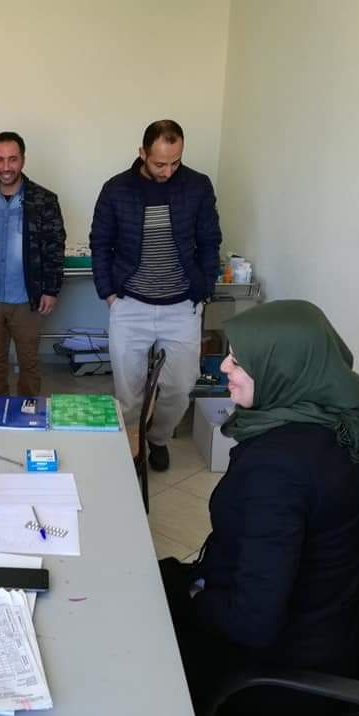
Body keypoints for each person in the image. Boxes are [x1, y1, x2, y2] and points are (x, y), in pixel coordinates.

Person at [159, 299, 359, 716]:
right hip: (325, 624)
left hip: (274, 668)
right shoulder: (340, 421)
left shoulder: (278, 469)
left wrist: (192, 594)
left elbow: (252, 620)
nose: (224, 367)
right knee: (154, 579)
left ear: (284, 368)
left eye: (239, 361)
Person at [90, 119, 222, 472]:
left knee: (180, 387)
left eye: (175, 162)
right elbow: (100, 243)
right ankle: (133, 442)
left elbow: (210, 241)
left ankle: (158, 438)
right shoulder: (116, 189)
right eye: (160, 163)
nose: (167, 171)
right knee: (128, 391)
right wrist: (109, 294)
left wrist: (204, 289)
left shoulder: (197, 186)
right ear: (142, 153)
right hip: (129, 304)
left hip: (181, 306)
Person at [0, 131, 65, 396]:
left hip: (27, 299)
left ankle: (27, 414)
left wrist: (51, 290)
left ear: (23, 160)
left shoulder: (44, 200)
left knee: (28, 364)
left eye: (12, 159)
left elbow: (55, 247)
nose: (6, 167)